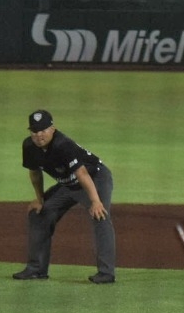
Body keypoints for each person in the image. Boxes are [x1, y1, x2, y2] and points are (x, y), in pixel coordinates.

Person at [16, 109, 116, 284]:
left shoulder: (63, 145)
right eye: (34, 131)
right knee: (40, 213)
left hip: (94, 179)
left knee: (100, 214)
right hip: (68, 185)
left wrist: (95, 201)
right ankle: (36, 269)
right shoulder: (29, 146)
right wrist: (40, 199)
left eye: (43, 130)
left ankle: (106, 273)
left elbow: (83, 174)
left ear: (52, 129)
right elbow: (35, 174)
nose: (39, 135)